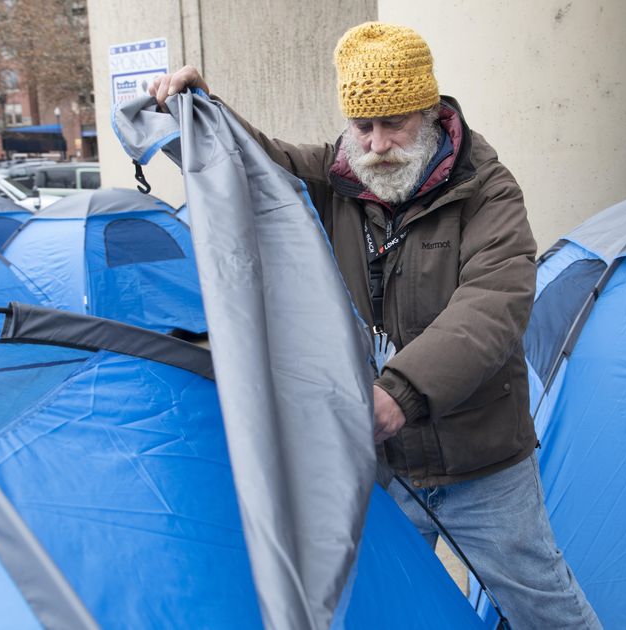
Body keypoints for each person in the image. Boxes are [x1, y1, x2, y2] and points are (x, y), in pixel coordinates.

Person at [152, 21, 602, 629]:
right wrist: (202, 111)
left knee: (546, 609)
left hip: (481, 461)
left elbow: (492, 304)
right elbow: (253, 166)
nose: (377, 143)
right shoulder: (337, 176)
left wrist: (400, 392)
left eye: (395, 123)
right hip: (381, 465)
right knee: (382, 609)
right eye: (363, 125)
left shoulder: (489, 191)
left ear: (432, 112)